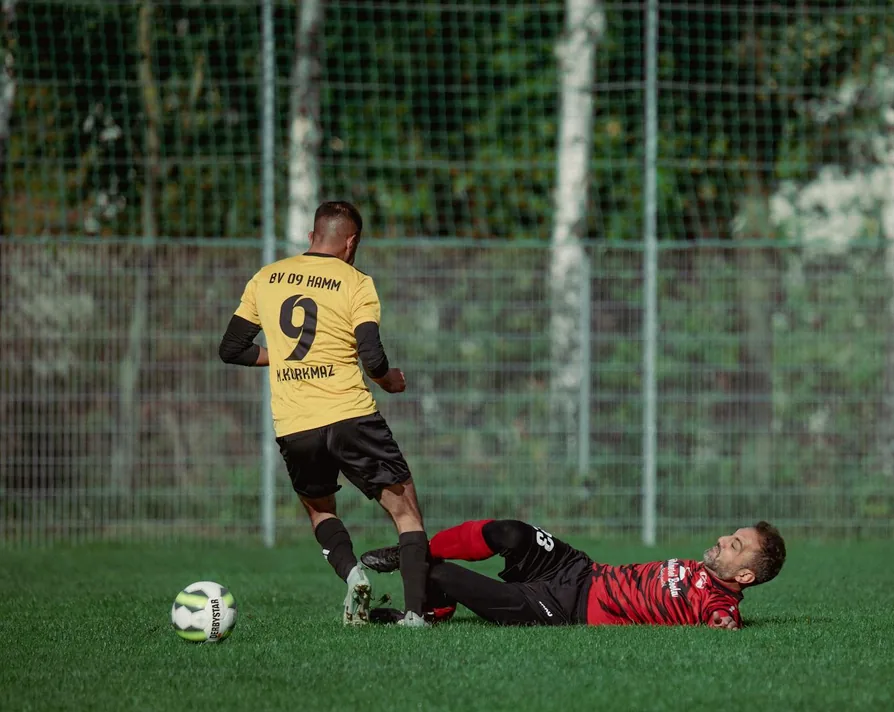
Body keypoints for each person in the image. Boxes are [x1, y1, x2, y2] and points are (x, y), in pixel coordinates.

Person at [218, 200, 430, 627]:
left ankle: (353, 576)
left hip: (296, 425)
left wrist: (283, 356)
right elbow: (372, 356)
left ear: (311, 236)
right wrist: (388, 380)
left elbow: (232, 349)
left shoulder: (267, 277)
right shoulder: (356, 282)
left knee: (321, 510)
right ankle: (415, 615)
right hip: (351, 415)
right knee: (406, 513)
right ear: (351, 242)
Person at [361, 519, 786, 630]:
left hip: (562, 608)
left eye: (735, 545)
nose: (722, 539)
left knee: (443, 576)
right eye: (732, 535)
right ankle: (412, 550)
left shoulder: (719, 600)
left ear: (745, 577)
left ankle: (428, 609)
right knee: (512, 532)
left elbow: (721, 617)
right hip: (577, 568)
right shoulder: (703, 570)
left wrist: (725, 622)